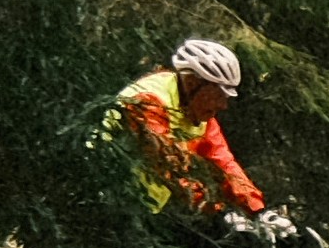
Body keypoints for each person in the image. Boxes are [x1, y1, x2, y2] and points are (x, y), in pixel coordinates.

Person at [114, 35, 270, 230]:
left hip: (140, 207)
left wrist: (259, 211)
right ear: (191, 83)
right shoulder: (149, 101)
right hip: (102, 193)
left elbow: (224, 164)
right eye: (217, 95)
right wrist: (218, 212)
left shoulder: (198, 113)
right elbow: (168, 167)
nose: (222, 105)